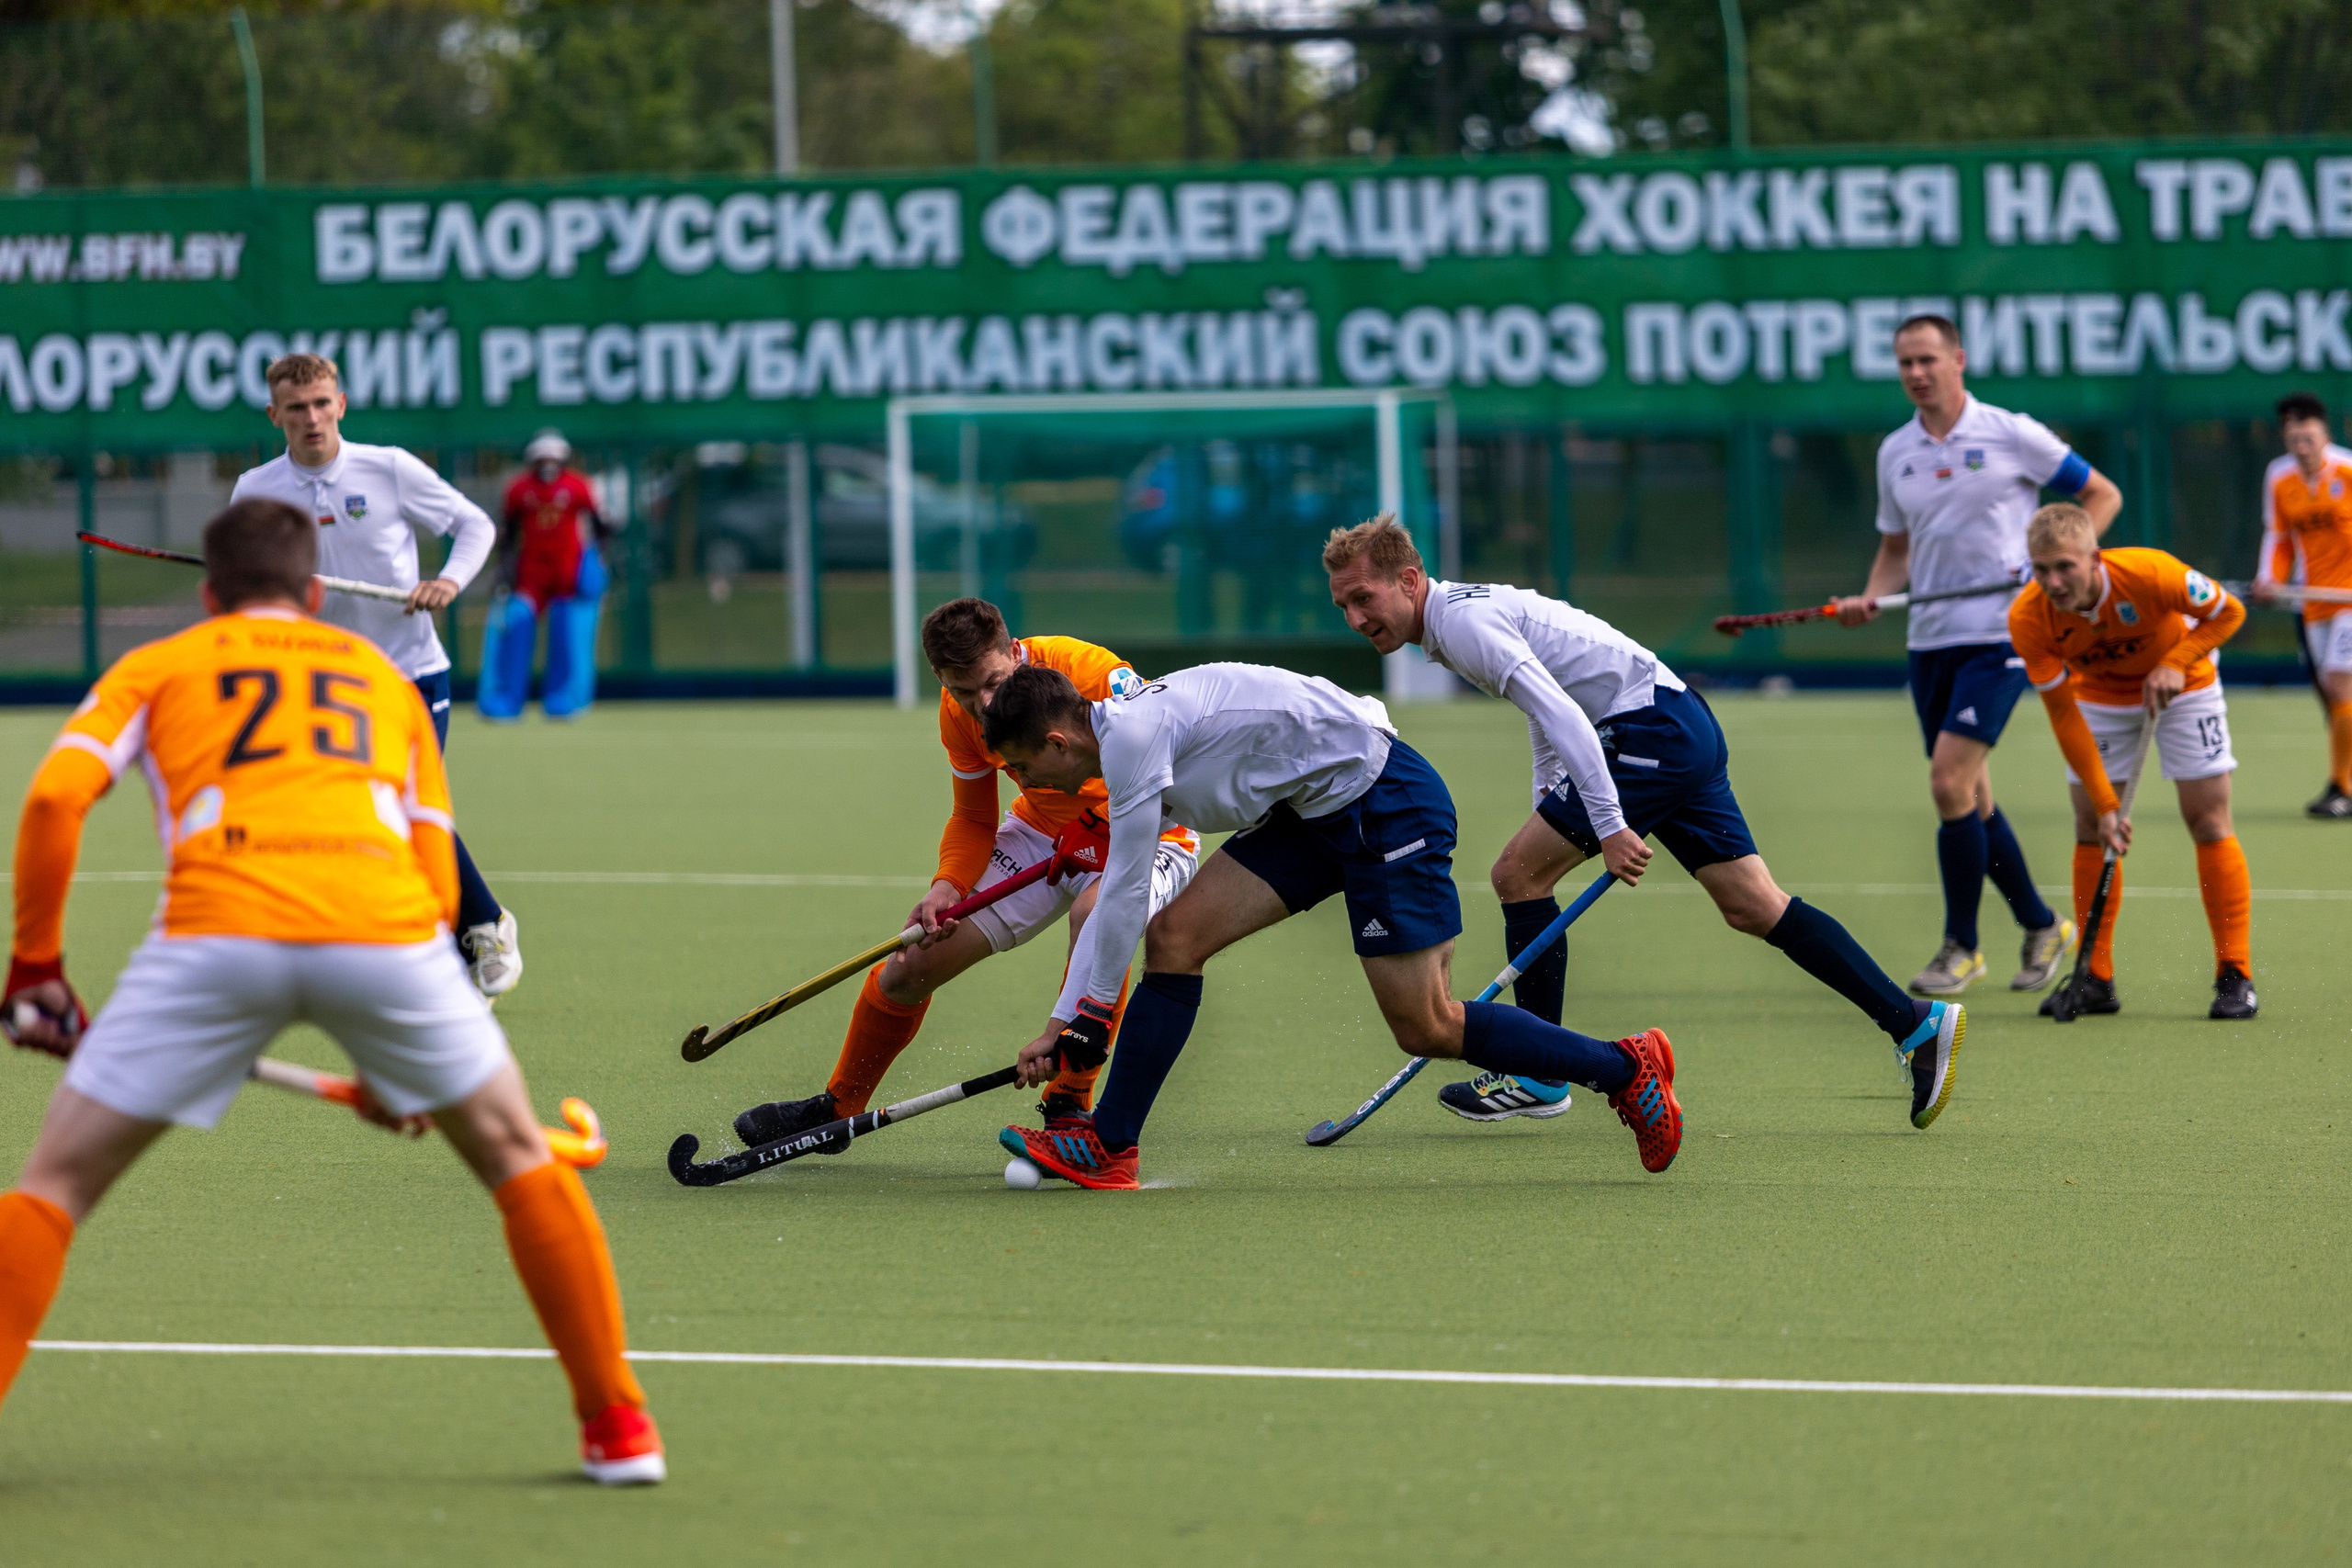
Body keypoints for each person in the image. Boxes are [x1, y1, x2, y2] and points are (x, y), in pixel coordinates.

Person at [0, 499, 662, 1483]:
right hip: (386, 934)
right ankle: (619, 1428)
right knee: (520, 1157)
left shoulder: (158, 665)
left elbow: (57, 796)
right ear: (314, 593)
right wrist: (400, 1053)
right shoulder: (382, 681)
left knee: (55, 1184)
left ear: (209, 596)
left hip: (212, 940)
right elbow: (438, 867)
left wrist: (36, 966)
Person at [1324, 516, 1962, 1133]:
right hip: (1677, 720)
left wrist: (1608, 825)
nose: (1354, 619)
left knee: (1517, 875)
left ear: (1409, 580)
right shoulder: (1455, 616)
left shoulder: (1461, 624)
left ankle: (1540, 1075)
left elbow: (1564, 714)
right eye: (1343, 606)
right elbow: (1546, 703)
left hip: (1647, 732)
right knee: (1753, 904)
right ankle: (1913, 1022)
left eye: (1363, 598)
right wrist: (1547, 789)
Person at [983, 660, 1684, 1190]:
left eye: (1022, 765)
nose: (1025, 780)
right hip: (1311, 808)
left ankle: (1625, 1067)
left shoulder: (1131, 739)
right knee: (1175, 938)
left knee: (1428, 1025)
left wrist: (1087, 1019)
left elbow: (1125, 889)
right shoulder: (1124, 731)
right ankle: (1110, 1145)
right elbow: (1126, 898)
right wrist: (1069, 1020)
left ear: (1056, 740)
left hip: (1387, 803)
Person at [730, 599, 1201, 1149]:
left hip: (1155, 832)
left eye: (994, 682)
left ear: (1014, 651)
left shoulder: (1090, 671)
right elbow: (974, 817)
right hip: (1045, 834)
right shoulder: (959, 716)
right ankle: (840, 1109)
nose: (984, 704)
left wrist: (1096, 826)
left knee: (1096, 914)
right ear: (941, 679)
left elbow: (1168, 766)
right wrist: (947, 886)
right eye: (962, 691)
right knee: (911, 964)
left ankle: (1069, 1104)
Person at [1836, 313, 2122, 1000]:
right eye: (1905, 362)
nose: (1916, 373)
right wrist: (1871, 596)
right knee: (1969, 795)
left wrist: (2056, 568)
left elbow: (2101, 493)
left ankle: (1961, 947)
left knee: (1947, 782)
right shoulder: (1894, 451)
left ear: (1958, 360)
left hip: (2002, 634)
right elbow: (1897, 548)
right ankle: (2042, 924)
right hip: (1929, 640)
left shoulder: (2010, 432)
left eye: (1928, 359)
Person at [228, 352, 522, 999]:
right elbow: (243, 587)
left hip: (410, 674)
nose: (311, 418)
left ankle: (485, 925)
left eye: (321, 403)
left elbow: (474, 525)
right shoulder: (254, 490)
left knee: (405, 803)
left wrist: (448, 581)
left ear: (341, 404)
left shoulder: (387, 468)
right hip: (323, 688)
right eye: (296, 408)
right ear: (274, 415)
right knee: (359, 817)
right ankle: (435, 946)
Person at [2008, 504, 2256, 1020]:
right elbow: (2063, 715)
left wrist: (2175, 661)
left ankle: (2235, 973)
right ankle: (2095, 978)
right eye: (2041, 570)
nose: (2053, 582)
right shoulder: (2029, 618)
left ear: (2094, 558)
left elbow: (2230, 611)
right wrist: (2106, 806)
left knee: (2208, 819)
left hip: (2187, 687)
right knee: (2089, 825)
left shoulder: (2150, 573)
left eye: (2065, 567)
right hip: (2099, 699)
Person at [2251, 391, 2352, 818]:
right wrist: (2269, 579)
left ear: (2324, 434)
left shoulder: (2347, 469)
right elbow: (2279, 536)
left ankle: (2341, 789)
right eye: (2293, 439)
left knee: (2340, 682)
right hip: (2311, 601)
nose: (2302, 446)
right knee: (2331, 694)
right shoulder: (2279, 476)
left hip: (2349, 599)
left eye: (2308, 437)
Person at [481, 431, 615, 723]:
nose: (548, 465)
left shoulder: (578, 485)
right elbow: (508, 534)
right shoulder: (519, 489)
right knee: (516, 628)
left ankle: (563, 699)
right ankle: (506, 700)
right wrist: (504, 570)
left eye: (554, 459)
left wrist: (597, 561)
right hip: (530, 576)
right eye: (542, 459)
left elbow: (601, 524)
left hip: (567, 573)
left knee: (566, 634)